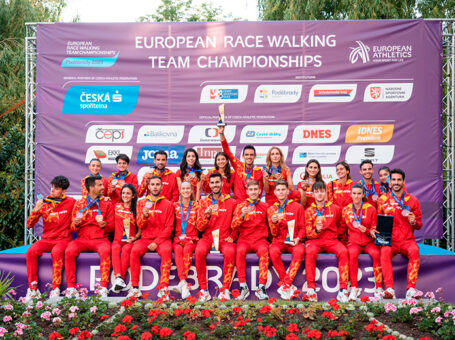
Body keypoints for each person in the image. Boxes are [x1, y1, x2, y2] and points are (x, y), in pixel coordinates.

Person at [24, 176, 76, 302]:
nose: (52, 190)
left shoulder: (72, 202)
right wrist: (36, 210)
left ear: (63, 191)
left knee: (57, 252)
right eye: (52, 187)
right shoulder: (44, 203)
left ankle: (56, 289)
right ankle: (33, 289)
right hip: (47, 239)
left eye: (56, 188)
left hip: (64, 239)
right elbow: (29, 224)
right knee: (31, 252)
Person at [65, 176, 114, 298]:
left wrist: (104, 226)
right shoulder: (79, 204)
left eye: (102, 185)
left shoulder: (107, 203)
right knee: (69, 251)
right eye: (100, 185)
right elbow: (72, 227)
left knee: (106, 251)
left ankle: (103, 287)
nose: (103, 187)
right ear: (91, 187)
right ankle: (71, 288)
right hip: (82, 240)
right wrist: (76, 224)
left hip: (100, 240)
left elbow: (112, 227)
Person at [378, 169, 422, 299]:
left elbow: (419, 225)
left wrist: (414, 222)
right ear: (389, 182)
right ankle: (390, 289)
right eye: (394, 180)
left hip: (407, 240)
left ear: (403, 182)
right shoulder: (382, 200)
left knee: (415, 250)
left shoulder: (413, 200)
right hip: (390, 239)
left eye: (399, 180)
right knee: (384, 252)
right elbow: (379, 221)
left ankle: (411, 289)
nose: (396, 182)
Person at [129, 176, 174, 300]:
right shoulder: (141, 203)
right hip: (145, 238)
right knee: (134, 251)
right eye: (152, 184)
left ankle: (163, 288)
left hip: (162, 239)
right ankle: (135, 288)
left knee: (166, 252)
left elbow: (169, 227)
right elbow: (140, 225)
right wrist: (144, 216)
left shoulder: (168, 203)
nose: (155, 187)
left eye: (157, 184)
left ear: (162, 186)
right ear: (148, 186)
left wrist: (157, 242)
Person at [304, 182, 349, 302]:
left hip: (332, 241)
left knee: (344, 251)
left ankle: (343, 289)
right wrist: (317, 231)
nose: (319, 194)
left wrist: (335, 234)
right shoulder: (309, 211)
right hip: (315, 241)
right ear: (313, 194)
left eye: (322, 191)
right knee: (310, 251)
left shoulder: (335, 209)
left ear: (326, 193)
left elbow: (341, 225)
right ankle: (311, 289)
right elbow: (308, 233)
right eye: (317, 192)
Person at [195, 172, 236, 301]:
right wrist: (206, 216)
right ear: (209, 185)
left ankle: (225, 289)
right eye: (212, 183)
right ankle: (203, 290)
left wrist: (233, 236)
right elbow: (199, 227)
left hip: (224, 239)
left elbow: (236, 223)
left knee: (230, 252)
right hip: (208, 238)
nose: (215, 185)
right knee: (199, 251)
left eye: (217, 182)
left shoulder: (231, 202)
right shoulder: (203, 202)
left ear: (222, 183)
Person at [341, 184, 383, 301]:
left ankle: (379, 288)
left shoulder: (370, 209)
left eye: (359, 193)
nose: (356, 196)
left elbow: (374, 228)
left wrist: (368, 231)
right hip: (353, 241)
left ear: (363, 194)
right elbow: (342, 228)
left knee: (376, 254)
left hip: (369, 241)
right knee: (352, 254)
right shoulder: (346, 210)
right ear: (350, 194)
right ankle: (354, 287)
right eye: (354, 193)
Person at [231, 180, 270, 300]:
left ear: (259, 191)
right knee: (240, 251)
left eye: (255, 190)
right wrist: (242, 215)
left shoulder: (265, 206)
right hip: (245, 240)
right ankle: (243, 286)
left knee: (264, 251)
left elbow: (271, 226)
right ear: (247, 191)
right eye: (251, 190)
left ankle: (261, 288)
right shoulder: (241, 206)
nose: (253, 192)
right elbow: (233, 225)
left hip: (260, 240)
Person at [267, 180, 305, 300]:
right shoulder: (272, 209)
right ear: (275, 192)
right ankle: (287, 284)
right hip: (279, 240)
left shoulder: (298, 207)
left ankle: (286, 284)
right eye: (278, 190)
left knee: (299, 251)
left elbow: (303, 228)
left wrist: (298, 239)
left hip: (294, 240)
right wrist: (274, 223)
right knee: (272, 251)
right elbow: (273, 233)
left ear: (288, 191)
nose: (281, 192)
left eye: (283, 189)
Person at [219, 125, 263, 201]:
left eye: (251, 155)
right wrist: (221, 134)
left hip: (252, 204)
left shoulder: (259, 171)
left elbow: (260, 191)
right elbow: (227, 151)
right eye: (246, 154)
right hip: (238, 204)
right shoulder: (238, 165)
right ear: (243, 156)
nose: (249, 157)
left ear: (255, 156)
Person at [111, 184, 140, 293]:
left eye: (128, 193)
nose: (125, 195)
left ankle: (119, 279)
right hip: (117, 240)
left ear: (133, 196)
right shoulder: (116, 206)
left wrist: (135, 237)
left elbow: (141, 227)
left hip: (130, 240)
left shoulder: (137, 208)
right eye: (123, 193)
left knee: (127, 250)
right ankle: (119, 277)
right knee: (114, 248)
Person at [173, 181, 199, 300]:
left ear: (192, 190)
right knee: (178, 249)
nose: (185, 191)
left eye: (188, 188)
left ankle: (182, 283)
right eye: (183, 188)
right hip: (178, 239)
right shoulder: (175, 205)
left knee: (188, 249)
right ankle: (183, 282)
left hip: (192, 239)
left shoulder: (197, 205)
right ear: (180, 191)